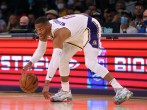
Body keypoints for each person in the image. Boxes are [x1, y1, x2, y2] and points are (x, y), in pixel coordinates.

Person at [22, 14, 133, 105]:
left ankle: (120, 90)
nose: (39, 32)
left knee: (90, 63)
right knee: (63, 60)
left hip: (89, 27)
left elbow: (54, 59)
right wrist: (31, 62)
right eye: (37, 30)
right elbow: (41, 50)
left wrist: (47, 83)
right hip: (74, 34)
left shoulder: (58, 33)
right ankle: (65, 91)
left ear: (47, 27)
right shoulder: (44, 30)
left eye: (41, 29)